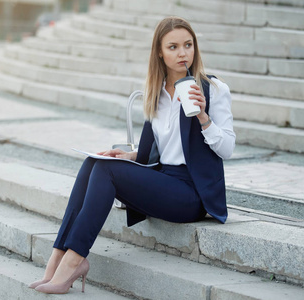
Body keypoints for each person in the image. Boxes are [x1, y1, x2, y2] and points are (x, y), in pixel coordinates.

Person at [29, 16, 236, 294]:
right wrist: (129, 157)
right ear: (160, 53)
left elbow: (228, 149)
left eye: (188, 45)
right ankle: (57, 259)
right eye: (173, 47)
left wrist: (203, 117)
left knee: (106, 170)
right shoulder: (157, 93)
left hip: (192, 192)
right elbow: (164, 149)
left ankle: (74, 261)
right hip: (163, 178)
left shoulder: (214, 90)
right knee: (96, 161)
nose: (183, 53)